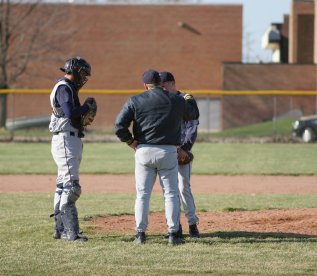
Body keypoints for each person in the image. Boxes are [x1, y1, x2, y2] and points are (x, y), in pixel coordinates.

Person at [114, 69, 199, 245]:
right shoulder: (176, 100)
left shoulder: (135, 100)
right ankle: (173, 234)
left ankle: (140, 234)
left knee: (143, 194)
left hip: (143, 150)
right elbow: (193, 114)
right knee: (171, 194)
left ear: (145, 85)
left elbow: (119, 125)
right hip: (168, 151)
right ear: (161, 84)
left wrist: (131, 142)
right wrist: (185, 98)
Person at [49, 56, 94, 242]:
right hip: (66, 141)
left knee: (62, 186)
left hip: (68, 138)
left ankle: (60, 229)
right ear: (74, 71)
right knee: (71, 187)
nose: (84, 78)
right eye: (83, 73)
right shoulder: (64, 87)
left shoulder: (66, 87)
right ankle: (71, 232)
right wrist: (85, 108)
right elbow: (69, 112)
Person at [160, 71, 200, 238]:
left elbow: (192, 126)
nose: (161, 88)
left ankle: (192, 224)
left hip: (182, 151)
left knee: (184, 188)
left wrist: (185, 149)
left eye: (164, 85)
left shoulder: (185, 99)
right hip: (166, 151)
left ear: (172, 83)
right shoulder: (161, 101)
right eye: (159, 85)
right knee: (169, 191)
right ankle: (175, 228)